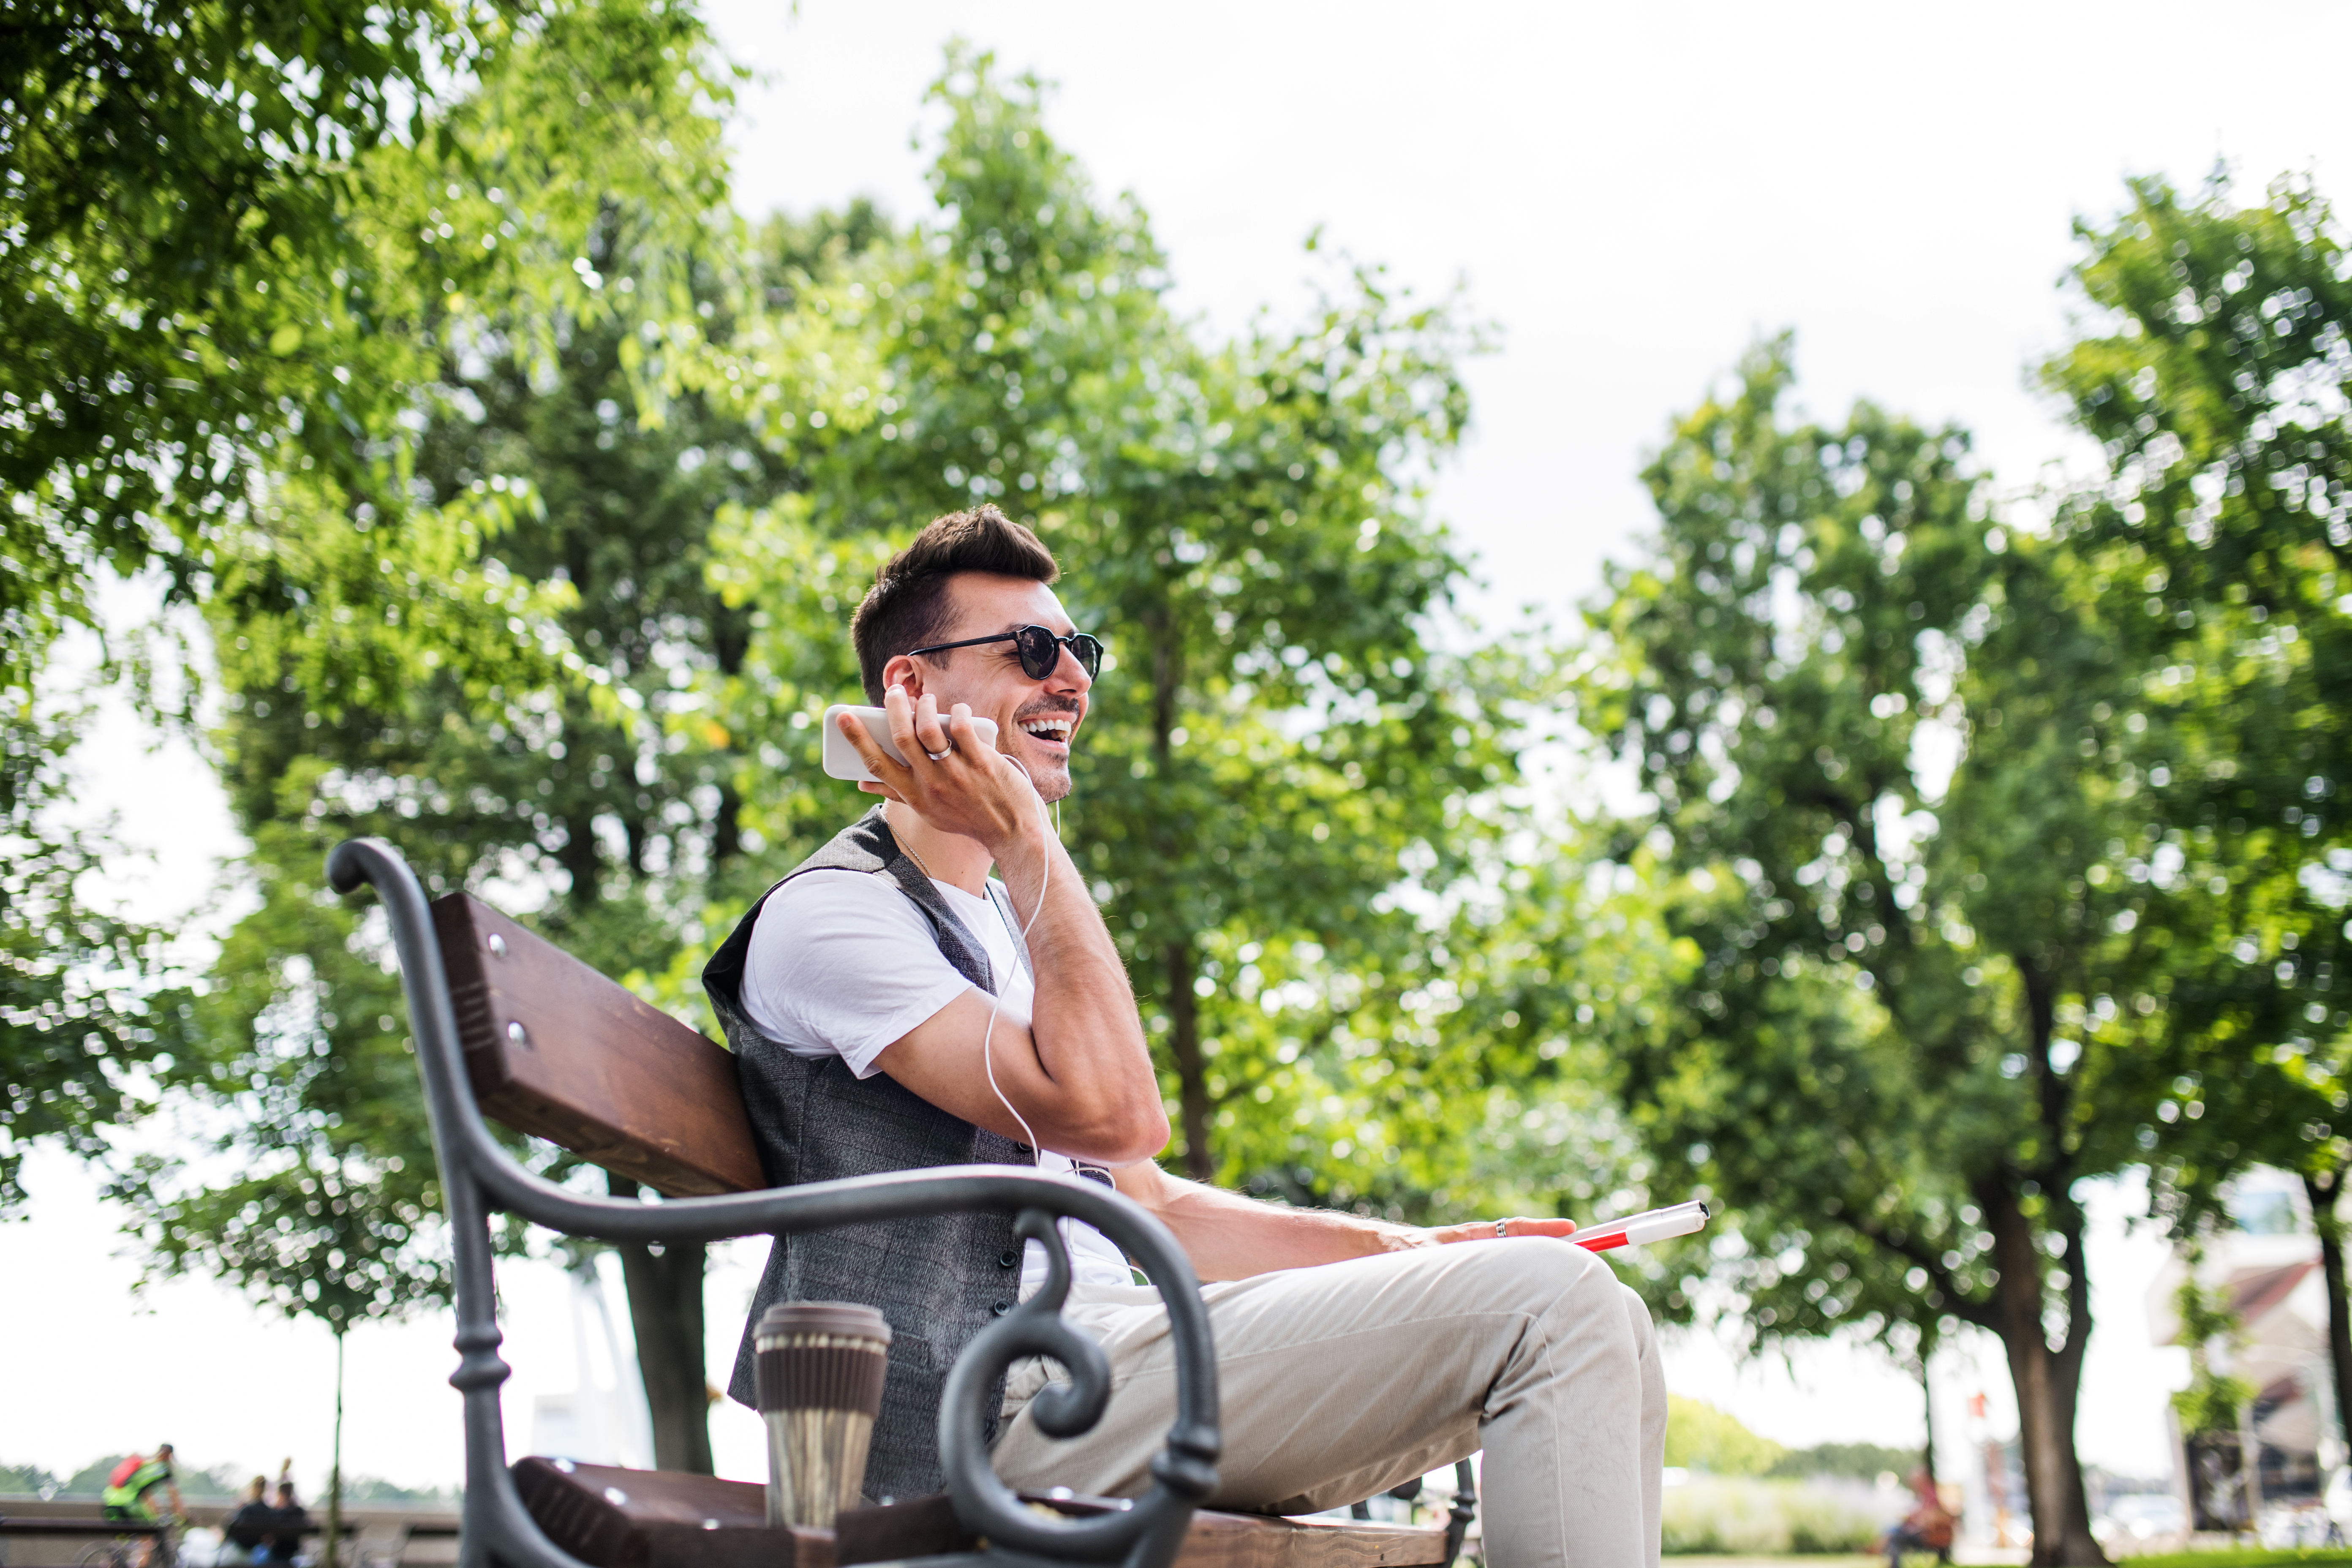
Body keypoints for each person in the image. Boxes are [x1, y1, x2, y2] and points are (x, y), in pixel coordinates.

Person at [705, 505, 1666, 1568]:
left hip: (1106, 1360)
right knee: (1558, 1309)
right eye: (1032, 650)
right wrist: (1027, 837)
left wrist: (1432, 1250)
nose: (1071, 677)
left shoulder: (1006, 928)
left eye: (1081, 651)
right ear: (910, 689)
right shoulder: (835, 915)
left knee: (1603, 1313)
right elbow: (1121, 1110)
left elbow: (1150, 1199)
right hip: (989, 1402)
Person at [100, 1446, 183, 1568]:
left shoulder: (145, 1464)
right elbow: (175, 1499)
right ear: (169, 1456)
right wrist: (183, 1516)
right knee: (149, 1539)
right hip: (128, 1503)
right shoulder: (162, 1469)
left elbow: (146, 1494)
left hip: (110, 1501)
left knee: (130, 1541)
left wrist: (157, 1513)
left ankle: (112, 1564)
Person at [1884, 1468, 1955, 1568]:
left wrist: (1917, 1519)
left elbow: (1934, 1516)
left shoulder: (1932, 1495)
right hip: (1921, 1532)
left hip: (1926, 1536)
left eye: (1916, 1481)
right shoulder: (1922, 1496)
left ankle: (1893, 1566)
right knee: (1893, 1531)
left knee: (1895, 1537)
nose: (1914, 1484)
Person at [222, 1478, 277, 1565]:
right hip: (258, 1553)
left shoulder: (246, 1510)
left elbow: (231, 1529)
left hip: (241, 1552)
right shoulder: (269, 1512)